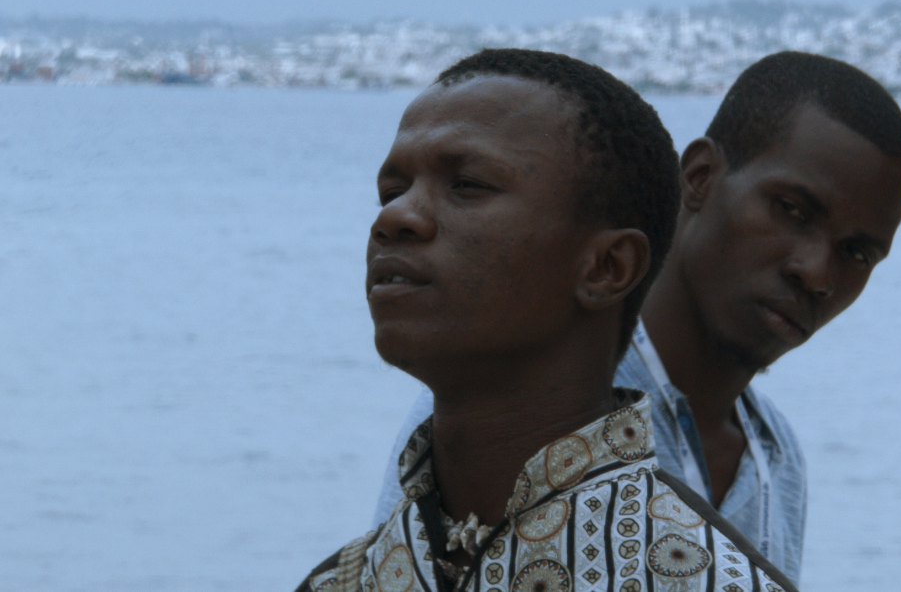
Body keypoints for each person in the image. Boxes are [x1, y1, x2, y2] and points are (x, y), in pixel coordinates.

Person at [371, 51, 901, 585]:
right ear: (698, 178)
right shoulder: (518, 408)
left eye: (857, 253)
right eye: (791, 210)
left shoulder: (775, 453)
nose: (817, 273)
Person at [297, 49, 799, 592]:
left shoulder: (704, 581)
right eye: (393, 191)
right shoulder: (343, 582)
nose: (394, 217)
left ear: (608, 267)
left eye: (466, 185)